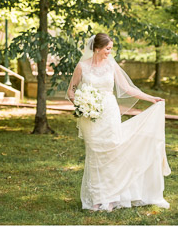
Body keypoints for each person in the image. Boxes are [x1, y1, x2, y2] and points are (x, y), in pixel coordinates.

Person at [66, 33, 171, 212]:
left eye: (111, 49)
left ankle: (113, 197)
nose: (109, 52)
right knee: (95, 155)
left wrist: (150, 98)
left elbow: (127, 88)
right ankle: (97, 198)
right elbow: (71, 90)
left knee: (112, 151)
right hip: (90, 117)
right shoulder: (82, 67)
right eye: (107, 49)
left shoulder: (111, 65)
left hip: (109, 113)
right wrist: (81, 104)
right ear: (97, 48)